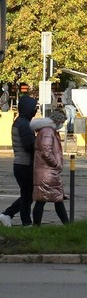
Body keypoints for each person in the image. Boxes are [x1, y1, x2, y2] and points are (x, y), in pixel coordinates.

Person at [0, 95, 38, 227]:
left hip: (21, 163)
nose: (35, 111)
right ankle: (26, 223)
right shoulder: (24, 124)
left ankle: (7, 214)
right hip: (25, 164)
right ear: (27, 109)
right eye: (34, 108)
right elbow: (29, 145)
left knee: (27, 195)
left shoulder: (20, 121)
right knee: (27, 196)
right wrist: (39, 144)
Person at [30, 109, 69, 226]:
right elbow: (46, 151)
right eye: (62, 121)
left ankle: (38, 226)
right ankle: (67, 225)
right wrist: (56, 164)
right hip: (48, 171)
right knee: (51, 199)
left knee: (51, 198)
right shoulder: (48, 131)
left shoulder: (48, 130)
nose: (62, 125)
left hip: (46, 170)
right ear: (58, 121)